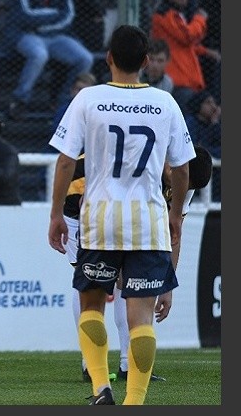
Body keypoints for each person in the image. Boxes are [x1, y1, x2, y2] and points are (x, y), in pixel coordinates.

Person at [48, 24, 196, 405]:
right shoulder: (165, 103)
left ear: (108, 58)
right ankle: (134, 402)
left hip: (99, 220)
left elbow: (65, 161)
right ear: (146, 61)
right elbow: (182, 169)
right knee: (141, 319)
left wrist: (56, 213)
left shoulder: (89, 98)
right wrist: (175, 214)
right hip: (148, 221)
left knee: (91, 305)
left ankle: (101, 387)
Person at [3, 0, 94, 119]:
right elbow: (24, 15)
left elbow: (68, 16)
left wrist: (42, 23)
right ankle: (20, 100)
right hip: (27, 34)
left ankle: (65, 100)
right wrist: (54, 14)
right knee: (39, 54)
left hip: (56, 35)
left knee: (85, 58)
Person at [150, 0, 221, 111]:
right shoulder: (165, 14)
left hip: (186, 80)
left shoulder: (176, 13)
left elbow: (183, 44)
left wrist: (206, 51)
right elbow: (187, 37)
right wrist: (200, 19)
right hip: (178, 81)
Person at [183, 90, 221, 159]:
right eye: (208, 103)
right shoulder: (190, 122)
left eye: (214, 102)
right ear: (199, 104)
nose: (214, 106)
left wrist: (215, 124)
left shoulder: (214, 123)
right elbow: (193, 147)